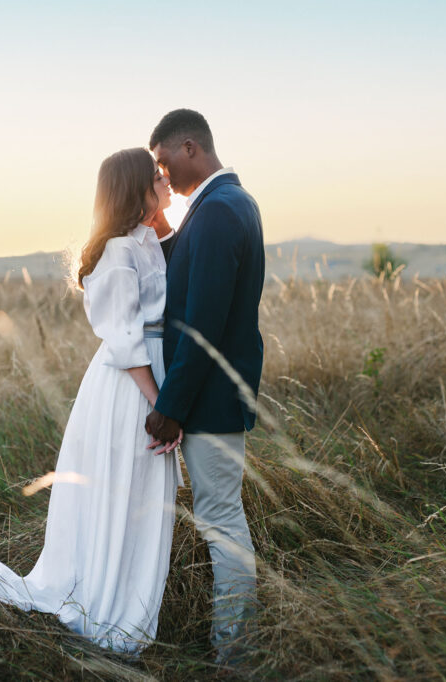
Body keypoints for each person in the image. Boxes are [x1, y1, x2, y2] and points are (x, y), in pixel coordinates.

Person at [0, 148, 183, 655]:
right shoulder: (116, 253)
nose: (167, 179)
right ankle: (106, 607)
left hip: (150, 378)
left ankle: (129, 599)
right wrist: (161, 406)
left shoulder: (145, 239)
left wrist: (159, 212)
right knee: (123, 494)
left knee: (141, 497)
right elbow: (123, 337)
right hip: (130, 390)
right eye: (157, 176)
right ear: (136, 187)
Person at [144, 109, 265, 666]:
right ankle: (233, 644)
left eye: (165, 162)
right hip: (218, 396)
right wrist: (166, 234)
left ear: (190, 147)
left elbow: (202, 326)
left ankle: (234, 652)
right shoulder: (226, 205)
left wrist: (170, 407)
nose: (163, 176)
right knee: (223, 516)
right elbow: (192, 281)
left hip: (210, 400)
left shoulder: (217, 212)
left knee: (221, 520)